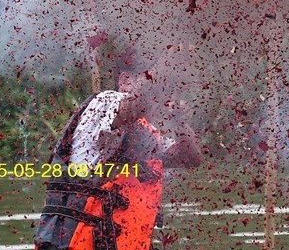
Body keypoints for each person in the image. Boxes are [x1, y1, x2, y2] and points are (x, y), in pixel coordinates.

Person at [34, 50, 202, 250]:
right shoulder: (106, 103)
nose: (162, 95)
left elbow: (190, 158)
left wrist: (179, 121)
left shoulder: (146, 131)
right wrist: (171, 58)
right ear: (126, 80)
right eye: (158, 85)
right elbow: (133, 107)